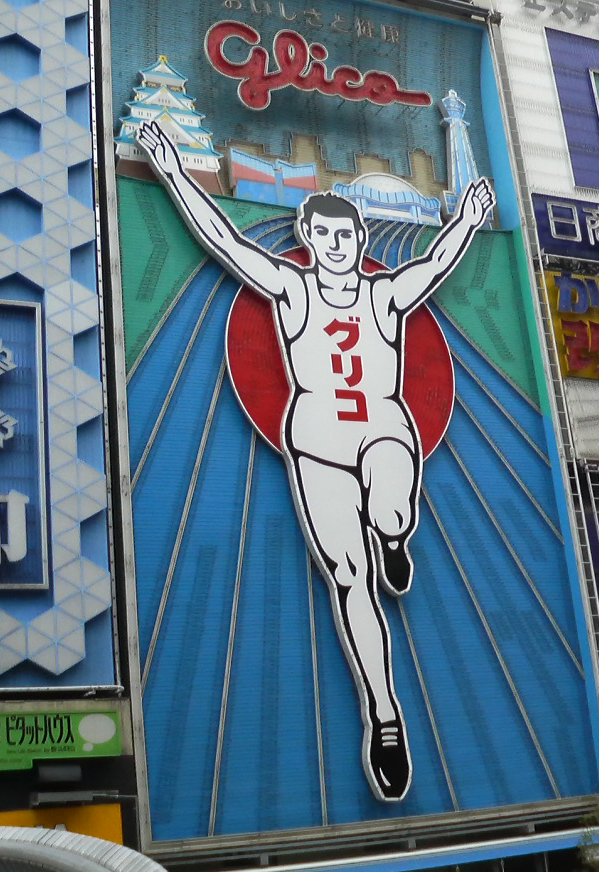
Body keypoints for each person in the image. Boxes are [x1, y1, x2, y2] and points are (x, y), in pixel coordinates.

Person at [140, 122, 494, 802]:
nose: (336, 244)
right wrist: (174, 172)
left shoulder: (383, 295)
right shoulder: (292, 289)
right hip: (317, 445)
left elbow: (433, 265)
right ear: (309, 237)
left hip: (383, 429)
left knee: (390, 508)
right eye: (325, 234)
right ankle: (385, 717)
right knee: (351, 580)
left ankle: (395, 535)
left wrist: (469, 220)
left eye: (346, 235)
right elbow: (226, 241)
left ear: (360, 240)